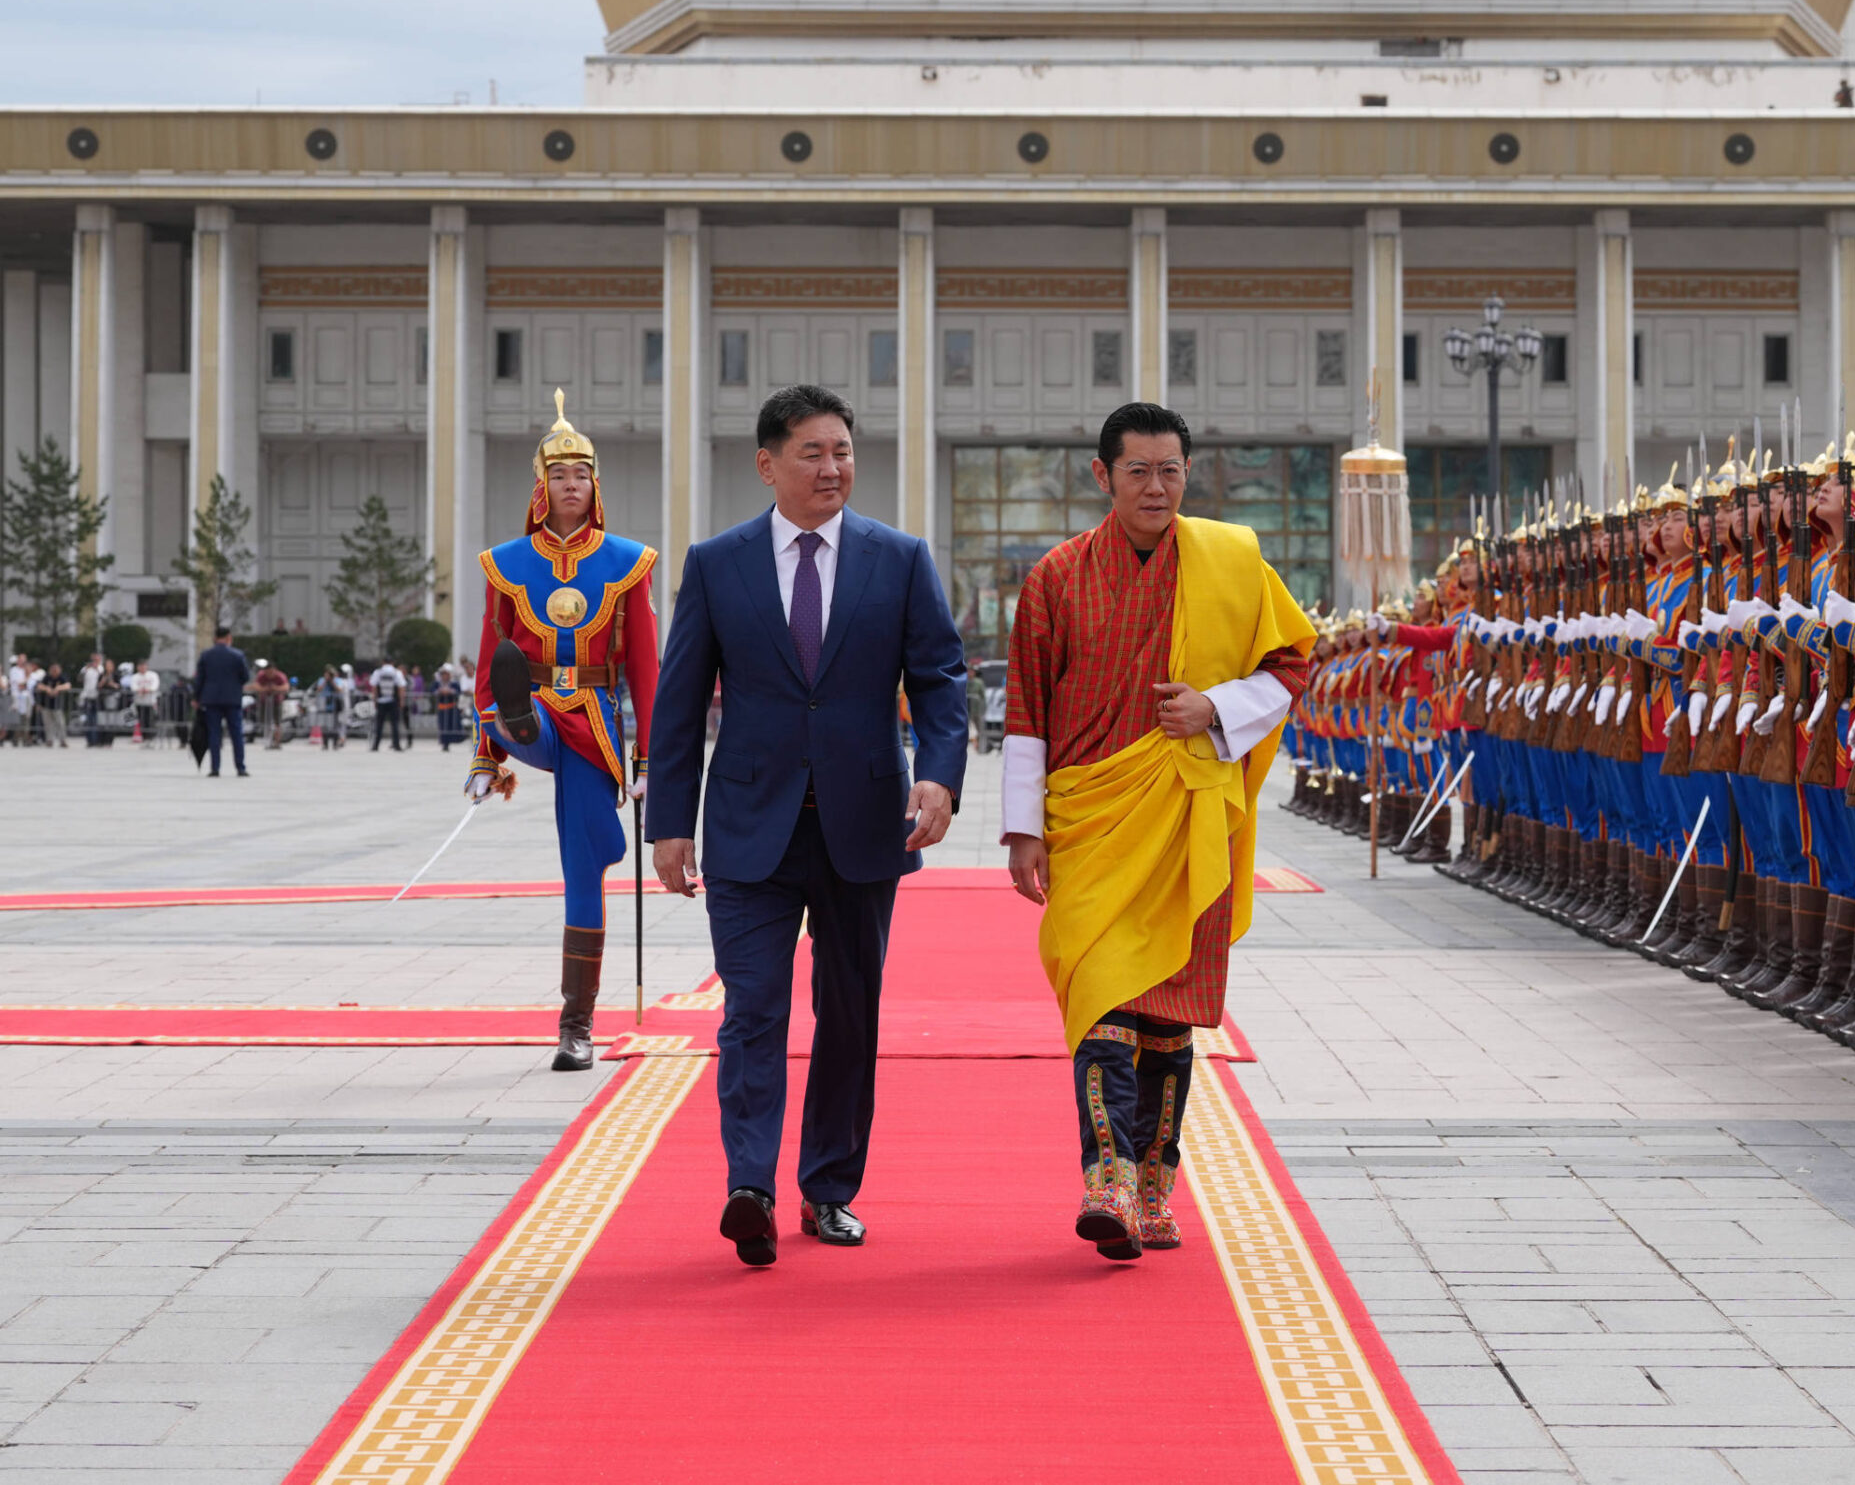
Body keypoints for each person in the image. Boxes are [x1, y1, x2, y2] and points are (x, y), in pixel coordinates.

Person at [648, 382, 967, 1267]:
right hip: (750, 826)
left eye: (843, 452)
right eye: (813, 453)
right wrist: (668, 822)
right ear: (767, 464)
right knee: (752, 1008)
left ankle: (828, 1190)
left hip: (866, 825)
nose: (834, 469)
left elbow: (941, 680)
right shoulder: (717, 564)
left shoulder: (898, 559)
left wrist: (940, 776)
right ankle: (748, 1184)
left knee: (848, 1013)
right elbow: (678, 702)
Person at [1002, 401, 1313, 1259]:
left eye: (1170, 469)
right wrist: (1022, 829)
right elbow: (1027, 705)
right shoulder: (1056, 577)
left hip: (1185, 814)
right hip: (1091, 817)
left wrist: (1218, 706)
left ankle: (1152, 1183)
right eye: (1137, 470)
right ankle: (1103, 1175)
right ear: (1102, 477)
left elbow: (1291, 662)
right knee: (1103, 992)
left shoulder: (1228, 561)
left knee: (1166, 1012)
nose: (1156, 486)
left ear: (1189, 473)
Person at [468, 391, 662, 1073]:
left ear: (595, 485)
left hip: (597, 726)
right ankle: (516, 724)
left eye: (581, 475)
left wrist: (651, 759)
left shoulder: (628, 562)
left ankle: (575, 1027)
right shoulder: (506, 564)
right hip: (534, 713)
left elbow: (645, 666)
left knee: (584, 874)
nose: (570, 485)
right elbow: (491, 654)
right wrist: (486, 755)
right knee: (515, 699)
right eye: (559, 475)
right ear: (541, 486)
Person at [193, 629, 252, 777]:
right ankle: (240, 767)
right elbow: (245, 677)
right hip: (232, 699)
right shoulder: (238, 655)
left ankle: (215, 768)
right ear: (228, 638)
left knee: (214, 733)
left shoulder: (206, 655)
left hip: (211, 699)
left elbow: (200, 679)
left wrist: (196, 697)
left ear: (215, 638)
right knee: (236, 734)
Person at [369, 658, 407, 750]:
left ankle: (375, 745)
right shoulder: (396, 672)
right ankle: (396, 745)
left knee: (379, 725)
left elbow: (374, 687)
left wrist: (374, 700)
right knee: (395, 724)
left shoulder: (378, 672)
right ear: (392, 662)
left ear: (383, 662)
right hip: (393, 701)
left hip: (381, 701)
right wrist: (401, 701)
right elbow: (401, 687)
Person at [130, 659, 159, 744]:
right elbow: (133, 687)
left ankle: (151, 737)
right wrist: (140, 690)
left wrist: (147, 690)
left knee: (150, 720)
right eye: (141, 666)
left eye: (144, 666)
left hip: (150, 702)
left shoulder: (152, 675)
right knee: (142, 721)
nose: (143, 668)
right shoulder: (135, 677)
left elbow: (155, 686)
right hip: (139, 702)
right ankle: (145, 737)